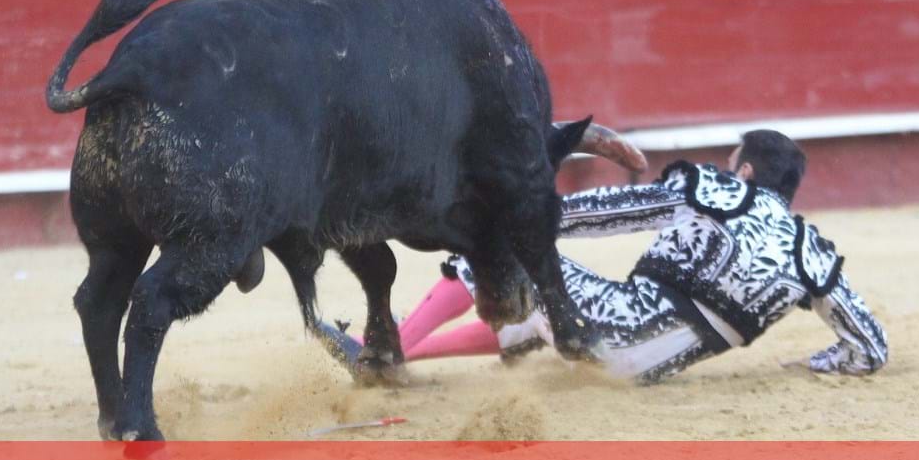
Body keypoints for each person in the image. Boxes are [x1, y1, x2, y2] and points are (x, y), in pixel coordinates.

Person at [315, 130, 888, 384]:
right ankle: (407, 357)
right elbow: (869, 348)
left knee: (507, 252)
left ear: (745, 172)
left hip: (609, 328)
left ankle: (382, 352)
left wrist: (533, 214)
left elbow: (620, 209)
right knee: (542, 312)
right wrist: (818, 363)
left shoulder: (722, 195)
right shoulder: (808, 256)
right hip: (646, 373)